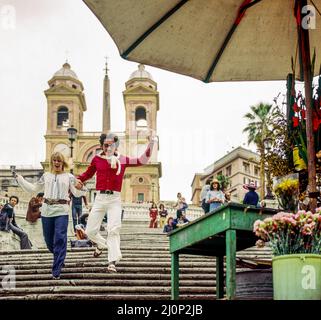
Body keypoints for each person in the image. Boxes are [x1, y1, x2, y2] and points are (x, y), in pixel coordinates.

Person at [76, 132, 157, 273]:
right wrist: (78, 180)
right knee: (90, 231)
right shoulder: (96, 159)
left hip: (114, 199)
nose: (108, 147)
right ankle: (102, 245)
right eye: (106, 145)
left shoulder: (122, 159)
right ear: (102, 146)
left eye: (111, 144)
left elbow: (141, 160)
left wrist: (150, 144)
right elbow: (87, 174)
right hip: (100, 198)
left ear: (115, 145)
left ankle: (111, 262)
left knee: (113, 229)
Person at [14, 152, 87, 279]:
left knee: (59, 238)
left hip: (62, 210)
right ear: (52, 162)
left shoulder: (69, 177)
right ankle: (60, 257)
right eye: (54, 160)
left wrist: (82, 188)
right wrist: (20, 179)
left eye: (59, 160)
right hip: (47, 210)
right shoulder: (46, 176)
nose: (57, 162)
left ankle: (56, 269)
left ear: (62, 162)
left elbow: (76, 192)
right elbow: (33, 189)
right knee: (49, 241)